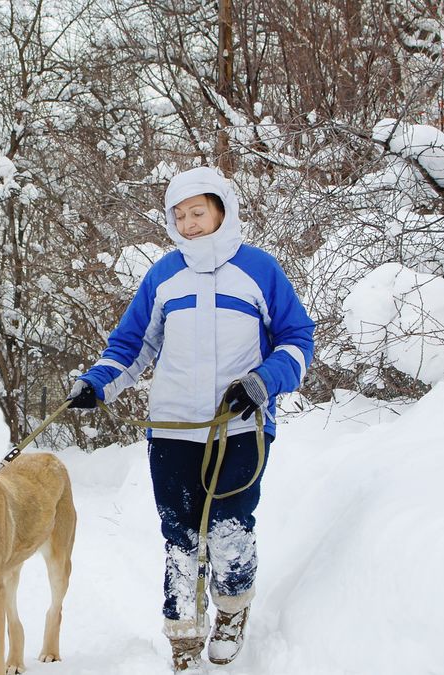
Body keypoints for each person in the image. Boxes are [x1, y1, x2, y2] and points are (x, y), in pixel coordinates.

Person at [66, 166, 314, 671]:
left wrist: (264, 380)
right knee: (180, 533)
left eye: (198, 212)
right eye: (179, 215)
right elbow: (132, 346)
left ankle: (231, 609)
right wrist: (97, 384)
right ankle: (182, 634)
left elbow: (297, 339)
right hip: (174, 428)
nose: (189, 223)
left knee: (227, 526)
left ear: (223, 210)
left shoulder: (259, 270)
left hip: (240, 425)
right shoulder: (163, 276)